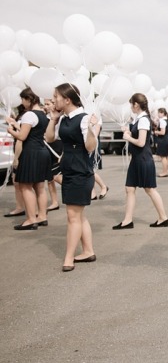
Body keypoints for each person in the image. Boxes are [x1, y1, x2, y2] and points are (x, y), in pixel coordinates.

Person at [45, 83, 98, 271]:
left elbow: (90, 147)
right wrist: (53, 119)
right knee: (77, 215)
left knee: (72, 216)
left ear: (67, 99)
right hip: (69, 169)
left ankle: (69, 258)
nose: (53, 100)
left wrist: (92, 129)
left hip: (80, 171)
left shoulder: (84, 119)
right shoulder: (63, 119)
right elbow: (49, 138)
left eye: (56, 96)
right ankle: (88, 251)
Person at [113, 93, 168, 229]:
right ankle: (127, 220)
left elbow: (141, 142)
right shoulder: (139, 119)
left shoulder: (143, 119)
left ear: (136, 105)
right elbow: (138, 137)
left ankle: (163, 218)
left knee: (149, 189)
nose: (130, 107)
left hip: (143, 158)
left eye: (131, 104)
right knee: (130, 188)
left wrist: (128, 137)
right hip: (138, 159)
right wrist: (129, 131)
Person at [6, 88, 52, 230]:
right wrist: (17, 125)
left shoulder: (28, 115)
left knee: (25, 186)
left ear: (29, 99)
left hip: (31, 152)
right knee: (40, 186)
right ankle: (42, 216)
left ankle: (31, 219)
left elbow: (22, 136)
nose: (22, 103)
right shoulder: (43, 114)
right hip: (42, 151)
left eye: (23, 99)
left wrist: (11, 130)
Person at [4, 104, 26, 218]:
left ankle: (21, 207)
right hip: (25, 153)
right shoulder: (24, 117)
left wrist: (16, 159)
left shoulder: (25, 118)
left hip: (22, 154)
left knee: (18, 182)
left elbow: (20, 140)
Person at [153, 108, 168, 177]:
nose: (158, 114)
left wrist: (155, 132)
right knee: (164, 157)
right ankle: (165, 171)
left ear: (163, 113)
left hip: (163, 140)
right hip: (165, 139)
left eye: (159, 113)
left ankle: (164, 172)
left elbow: (162, 132)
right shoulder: (165, 120)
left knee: (163, 157)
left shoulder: (163, 121)